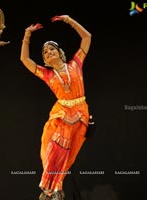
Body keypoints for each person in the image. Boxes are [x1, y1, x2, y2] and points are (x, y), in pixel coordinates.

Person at [20, 14, 92, 200]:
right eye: (45, 53)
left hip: (80, 113)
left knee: (69, 155)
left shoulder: (76, 63)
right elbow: (25, 60)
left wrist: (69, 21)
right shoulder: (47, 74)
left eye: (51, 49)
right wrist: (27, 36)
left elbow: (87, 38)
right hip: (61, 115)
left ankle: (55, 187)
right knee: (53, 150)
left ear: (60, 53)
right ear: (44, 60)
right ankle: (51, 189)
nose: (48, 53)